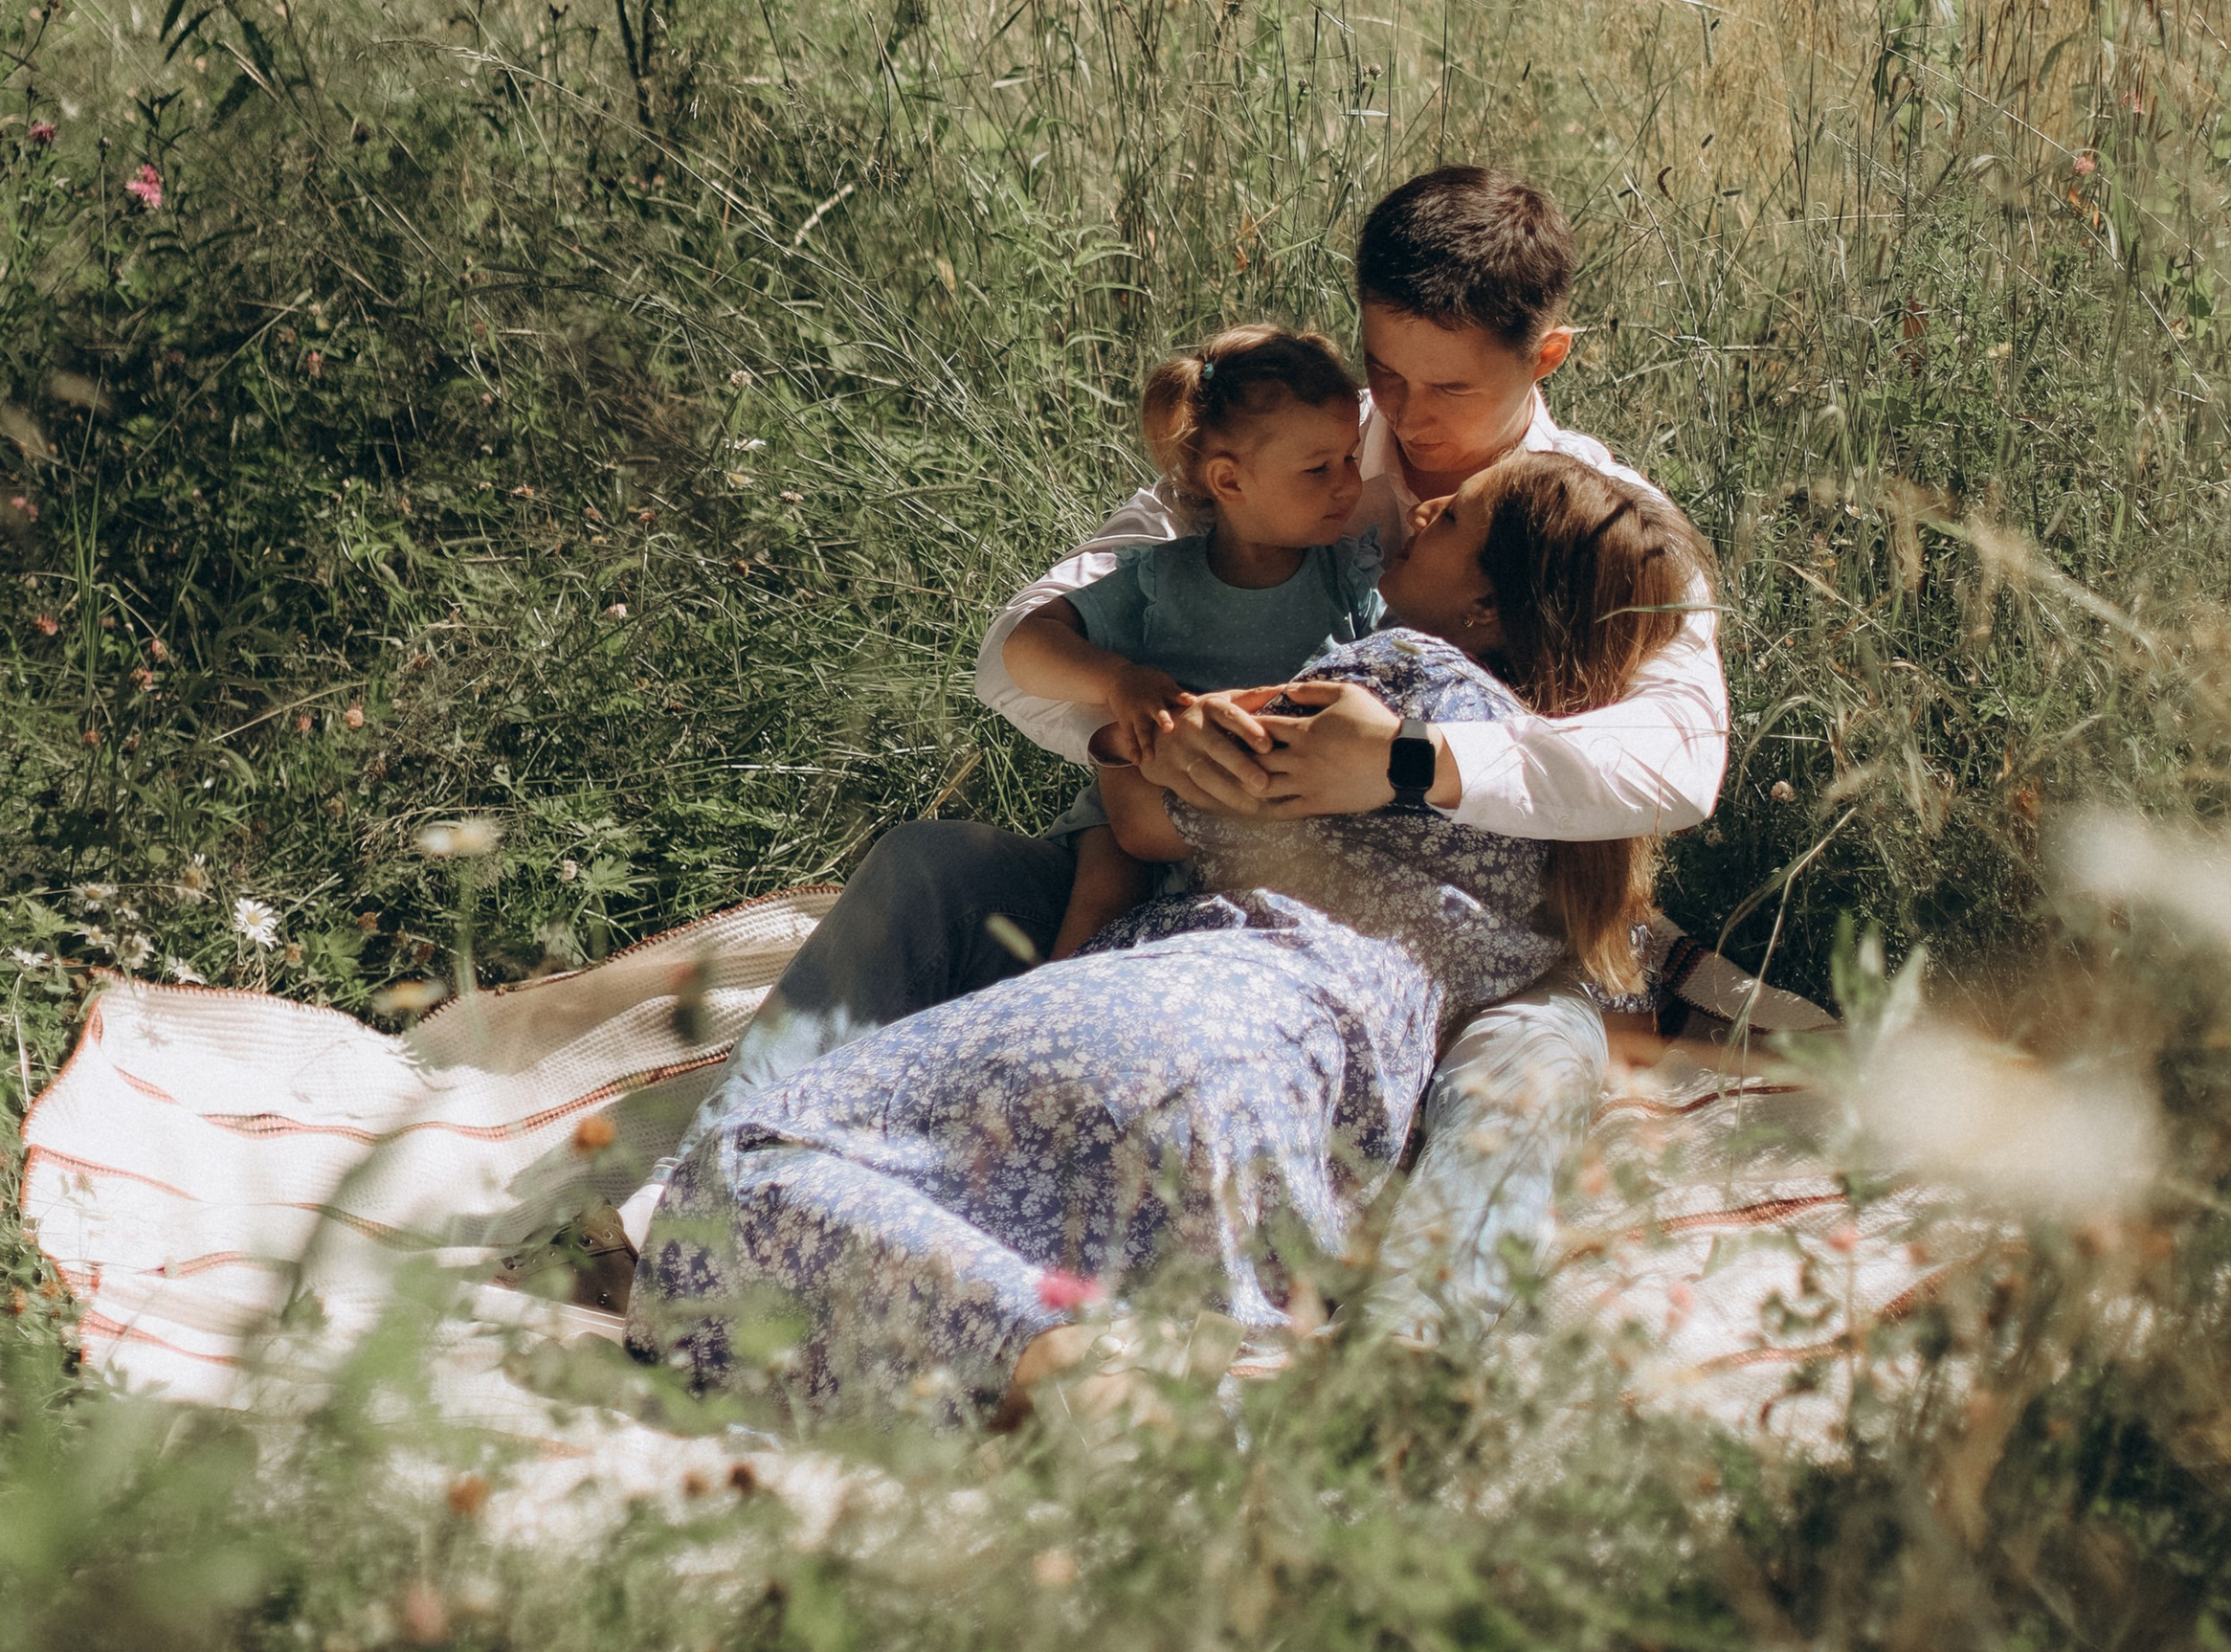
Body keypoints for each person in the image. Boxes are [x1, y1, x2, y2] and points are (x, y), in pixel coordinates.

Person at [690, 167, 1728, 1336]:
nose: (1409, 413)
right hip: (1208, 872)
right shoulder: (1302, 446)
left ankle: (1430, 1341)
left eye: (1448, 386)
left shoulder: (1593, 516)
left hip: (1471, 934)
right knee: (931, 866)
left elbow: (1681, 762)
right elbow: (1023, 650)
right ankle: (688, 1206)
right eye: (1387, 371)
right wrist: (1152, 711)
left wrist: (1401, 766)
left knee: (1533, 1053)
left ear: (1545, 359)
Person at [627, 456, 1706, 1420]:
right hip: (1296, 1144)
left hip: (1168, 1020)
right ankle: (1166, 1369)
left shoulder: (1396, 679)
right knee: (986, 1221)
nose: (1419, 509)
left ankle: (1056, 1359)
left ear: (1482, 605)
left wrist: (1135, 731)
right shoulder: (1579, 846)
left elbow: (1144, 812)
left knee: (746, 1170)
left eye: (1454, 517)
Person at [997, 325, 1384, 957]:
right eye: (1319, 469)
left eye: (1351, 456)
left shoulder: (1349, 581)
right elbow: (1025, 647)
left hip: (1274, 821)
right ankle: (1034, 1025)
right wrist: (1118, 681)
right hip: (1148, 813)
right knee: (1103, 889)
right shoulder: (1158, 580)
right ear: (1229, 481)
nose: (1349, 485)